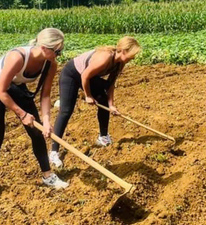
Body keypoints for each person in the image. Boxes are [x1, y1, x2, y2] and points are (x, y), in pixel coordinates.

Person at [0, 28, 68, 197]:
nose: (59, 55)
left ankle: (48, 175)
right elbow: (1, 91)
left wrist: (47, 120)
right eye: (57, 51)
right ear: (44, 48)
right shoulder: (17, 58)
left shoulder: (50, 64)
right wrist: (22, 114)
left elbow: (46, 95)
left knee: (37, 132)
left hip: (17, 87)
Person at [49, 36, 141, 168]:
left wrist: (111, 105)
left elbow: (110, 84)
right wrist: (88, 95)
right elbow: (85, 75)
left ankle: (103, 137)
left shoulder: (120, 62)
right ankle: (53, 152)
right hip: (72, 74)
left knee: (103, 100)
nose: (133, 57)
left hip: (87, 76)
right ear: (122, 51)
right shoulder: (105, 58)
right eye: (131, 54)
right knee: (66, 111)